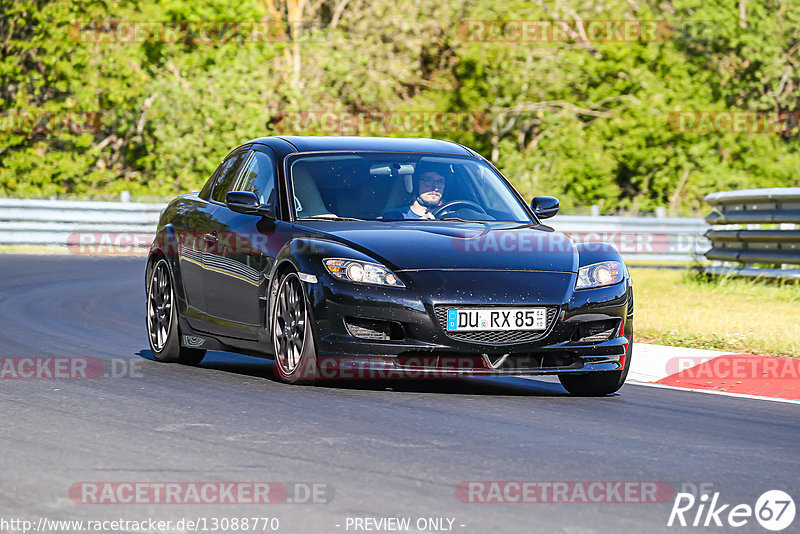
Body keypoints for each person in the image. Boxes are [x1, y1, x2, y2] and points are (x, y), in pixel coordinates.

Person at [382, 161, 449, 220]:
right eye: (428, 180)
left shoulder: (454, 218)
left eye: (440, 182)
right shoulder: (396, 217)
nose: (435, 188)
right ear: (415, 184)